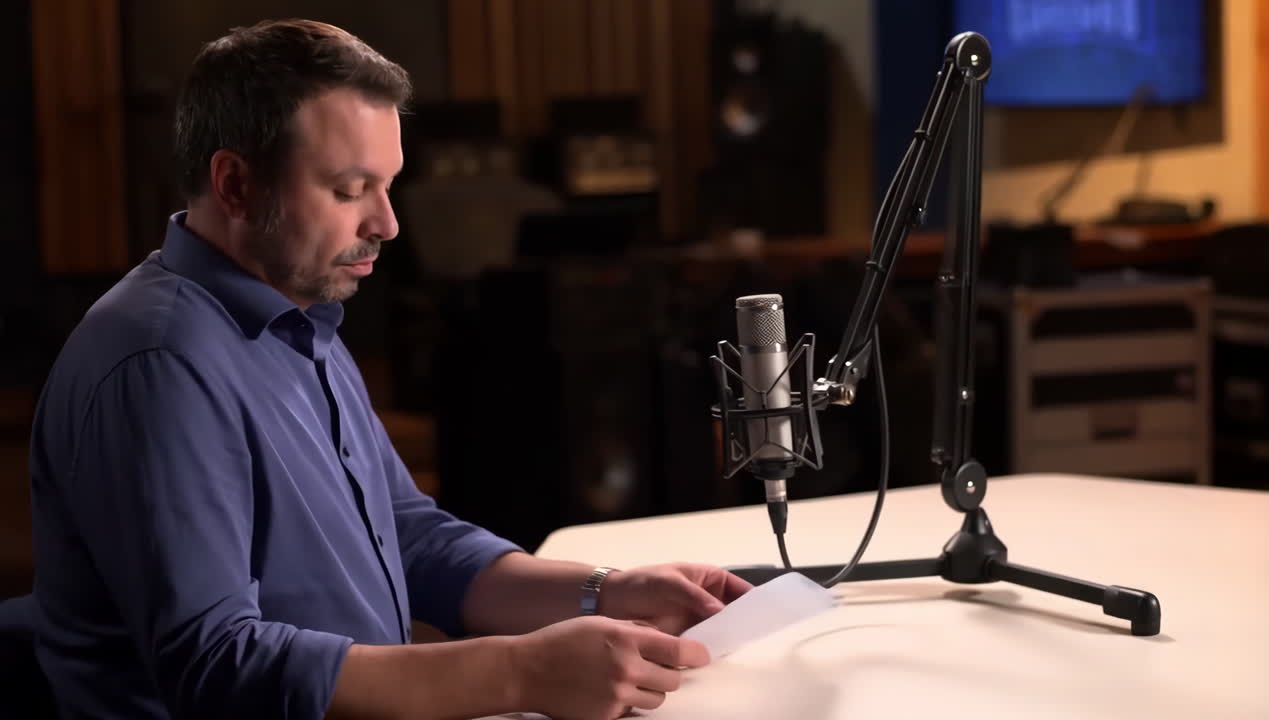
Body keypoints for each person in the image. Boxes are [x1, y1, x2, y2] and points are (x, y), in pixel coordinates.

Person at [29, 19, 752, 720]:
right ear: (235, 185)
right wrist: (520, 670)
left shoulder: (297, 311)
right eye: (349, 190)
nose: (387, 223)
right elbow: (218, 666)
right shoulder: (159, 366)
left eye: (388, 184)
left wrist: (606, 593)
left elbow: (411, 541)